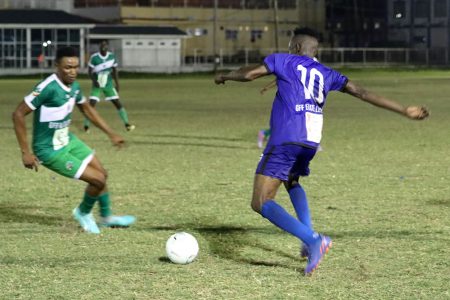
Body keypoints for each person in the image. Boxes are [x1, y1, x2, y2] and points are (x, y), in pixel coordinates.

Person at [214, 28, 429, 275]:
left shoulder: (283, 60)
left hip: (287, 138)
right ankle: (308, 240)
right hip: (310, 141)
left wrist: (225, 76)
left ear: (295, 47)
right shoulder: (326, 73)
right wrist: (404, 110)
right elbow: (362, 92)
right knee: (291, 180)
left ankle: (314, 239)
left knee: (261, 202)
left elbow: (250, 73)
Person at [12, 46, 136, 234]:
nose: (73, 72)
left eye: (76, 67)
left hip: (67, 139)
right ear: (56, 66)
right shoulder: (47, 87)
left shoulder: (75, 86)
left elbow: (87, 109)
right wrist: (25, 152)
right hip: (49, 149)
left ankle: (106, 217)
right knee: (98, 180)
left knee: (102, 174)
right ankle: (83, 212)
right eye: (68, 67)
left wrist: (111, 133)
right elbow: (18, 114)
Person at [84, 40, 135, 133]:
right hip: (97, 85)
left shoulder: (112, 57)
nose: (103, 47)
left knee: (117, 103)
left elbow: (115, 71)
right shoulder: (94, 58)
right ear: (99, 47)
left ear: (107, 47)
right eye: (102, 45)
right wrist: (95, 81)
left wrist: (117, 83)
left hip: (108, 84)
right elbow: (89, 72)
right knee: (92, 104)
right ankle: (86, 126)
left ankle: (127, 124)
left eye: (105, 45)